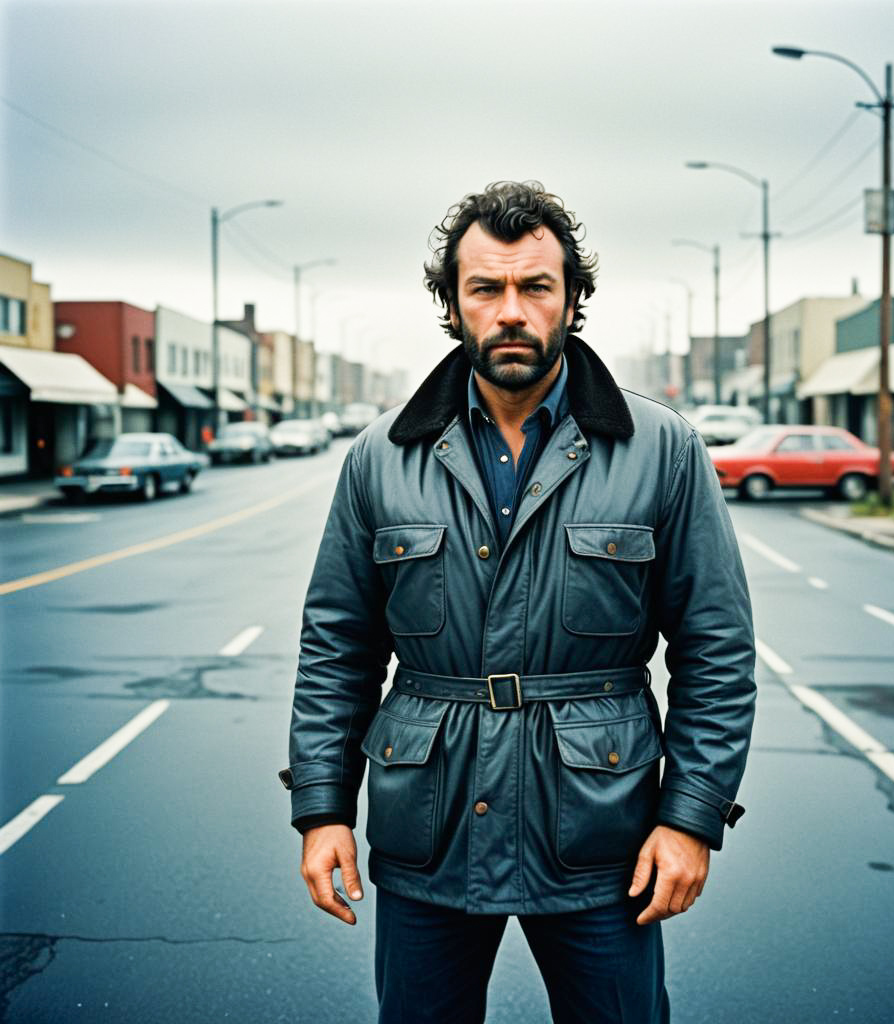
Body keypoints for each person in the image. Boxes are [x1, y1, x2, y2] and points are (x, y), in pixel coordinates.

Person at [280, 181, 756, 1024]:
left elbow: (716, 650)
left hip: (601, 841)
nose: (511, 311)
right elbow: (338, 649)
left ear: (572, 300)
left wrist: (690, 818)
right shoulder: (380, 458)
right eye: (485, 288)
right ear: (451, 304)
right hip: (428, 827)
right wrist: (323, 808)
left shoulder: (662, 449)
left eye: (535, 286)